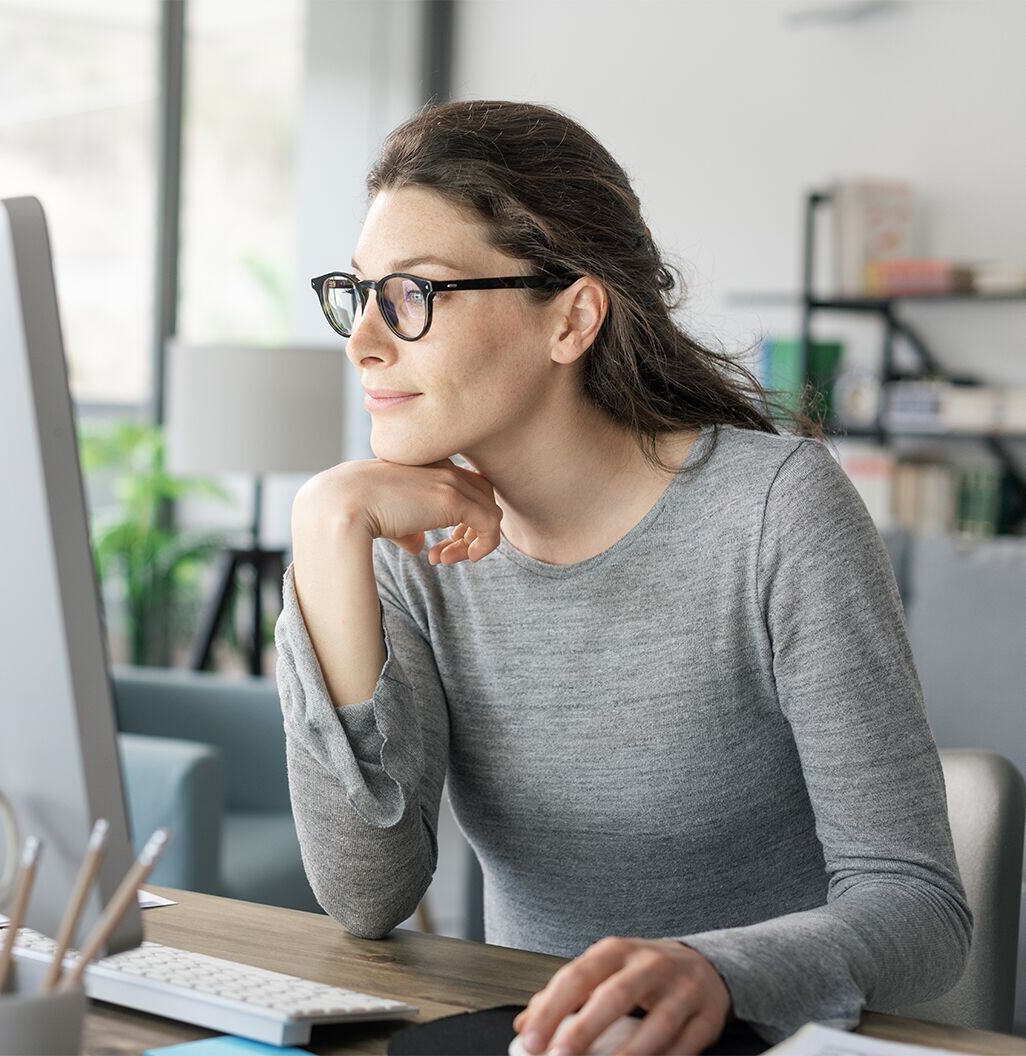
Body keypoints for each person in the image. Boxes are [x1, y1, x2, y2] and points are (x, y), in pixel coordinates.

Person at [275, 100, 971, 1055]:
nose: (364, 341)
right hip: (533, 1041)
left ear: (572, 317)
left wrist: (715, 973)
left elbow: (921, 908)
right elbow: (366, 895)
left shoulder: (774, 511)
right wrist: (325, 530)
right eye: (359, 294)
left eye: (414, 295)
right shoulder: (411, 546)